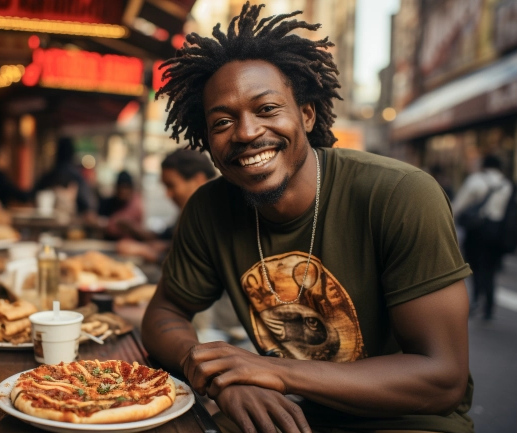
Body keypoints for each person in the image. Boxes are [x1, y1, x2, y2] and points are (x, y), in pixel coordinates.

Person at [142, 4, 473, 433]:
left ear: (307, 114)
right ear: (207, 141)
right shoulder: (209, 208)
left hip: (408, 419)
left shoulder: (399, 195)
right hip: (286, 413)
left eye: (266, 109)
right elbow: (163, 314)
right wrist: (219, 376)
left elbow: (442, 379)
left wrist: (268, 372)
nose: (245, 133)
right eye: (223, 121)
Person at [117, 149, 216, 262]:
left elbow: (196, 265)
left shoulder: (215, 217)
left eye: (171, 185)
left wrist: (146, 252)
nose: (168, 194)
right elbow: (166, 238)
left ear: (199, 180)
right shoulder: (191, 212)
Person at [452, 155, 512, 320]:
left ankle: (476, 301)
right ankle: (489, 308)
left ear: (484, 165)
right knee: (491, 270)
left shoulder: (476, 180)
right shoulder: (506, 184)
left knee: (475, 267)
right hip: (497, 232)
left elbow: (459, 205)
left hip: (477, 231)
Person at [34, 137, 96, 214]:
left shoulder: (51, 175)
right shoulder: (76, 176)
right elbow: (89, 204)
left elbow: (32, 195)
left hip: (48, 220)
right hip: (72, 221)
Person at [98, 171, 144, 240]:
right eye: (120, 188)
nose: (123, 191)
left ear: (131, 189)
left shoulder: (135, 204)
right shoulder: (108, 203)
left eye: (125, 188)